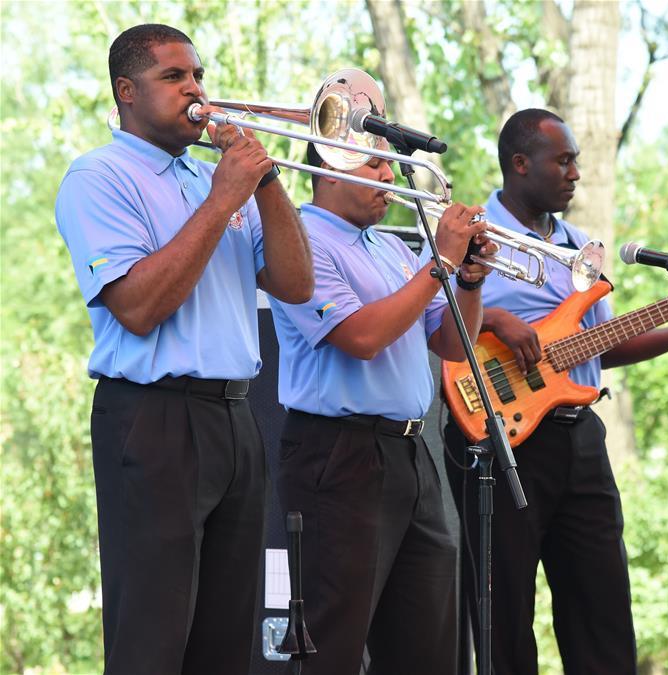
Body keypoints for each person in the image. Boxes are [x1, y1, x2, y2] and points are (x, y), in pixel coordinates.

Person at [55, 23, 313, 675]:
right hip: (153, 416)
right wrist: (225, 193)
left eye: (197, 75)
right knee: (153, 634)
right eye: (174, 77)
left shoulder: (217, 179)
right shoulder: (97, 176)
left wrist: (266, 183)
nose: (194, 89)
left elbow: (295, 282)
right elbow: (138, 306)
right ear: (128, 91)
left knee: (227, 639)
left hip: (234, 416)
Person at [443, 108, 668, 675]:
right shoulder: (471, 236)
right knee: (504, 623)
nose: (576, 173)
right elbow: (437, 323)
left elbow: (597, 345)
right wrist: (495, 316)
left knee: (603, 617)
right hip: (502, 442)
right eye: (564, 160)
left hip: (581, 440)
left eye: (576, 162)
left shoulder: (583, 249)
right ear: (520, 165)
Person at [268, 142, 495, 675]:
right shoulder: (299, 241)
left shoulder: (393, 248)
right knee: (335, 645)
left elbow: (454, 344)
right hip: (339, 453)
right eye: (375, 165)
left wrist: (470, 279)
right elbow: (362, 337)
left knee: (427, 648)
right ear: (327, 167)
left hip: (411, 453)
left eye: (389, 164)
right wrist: (440, 263)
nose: (390, 177)